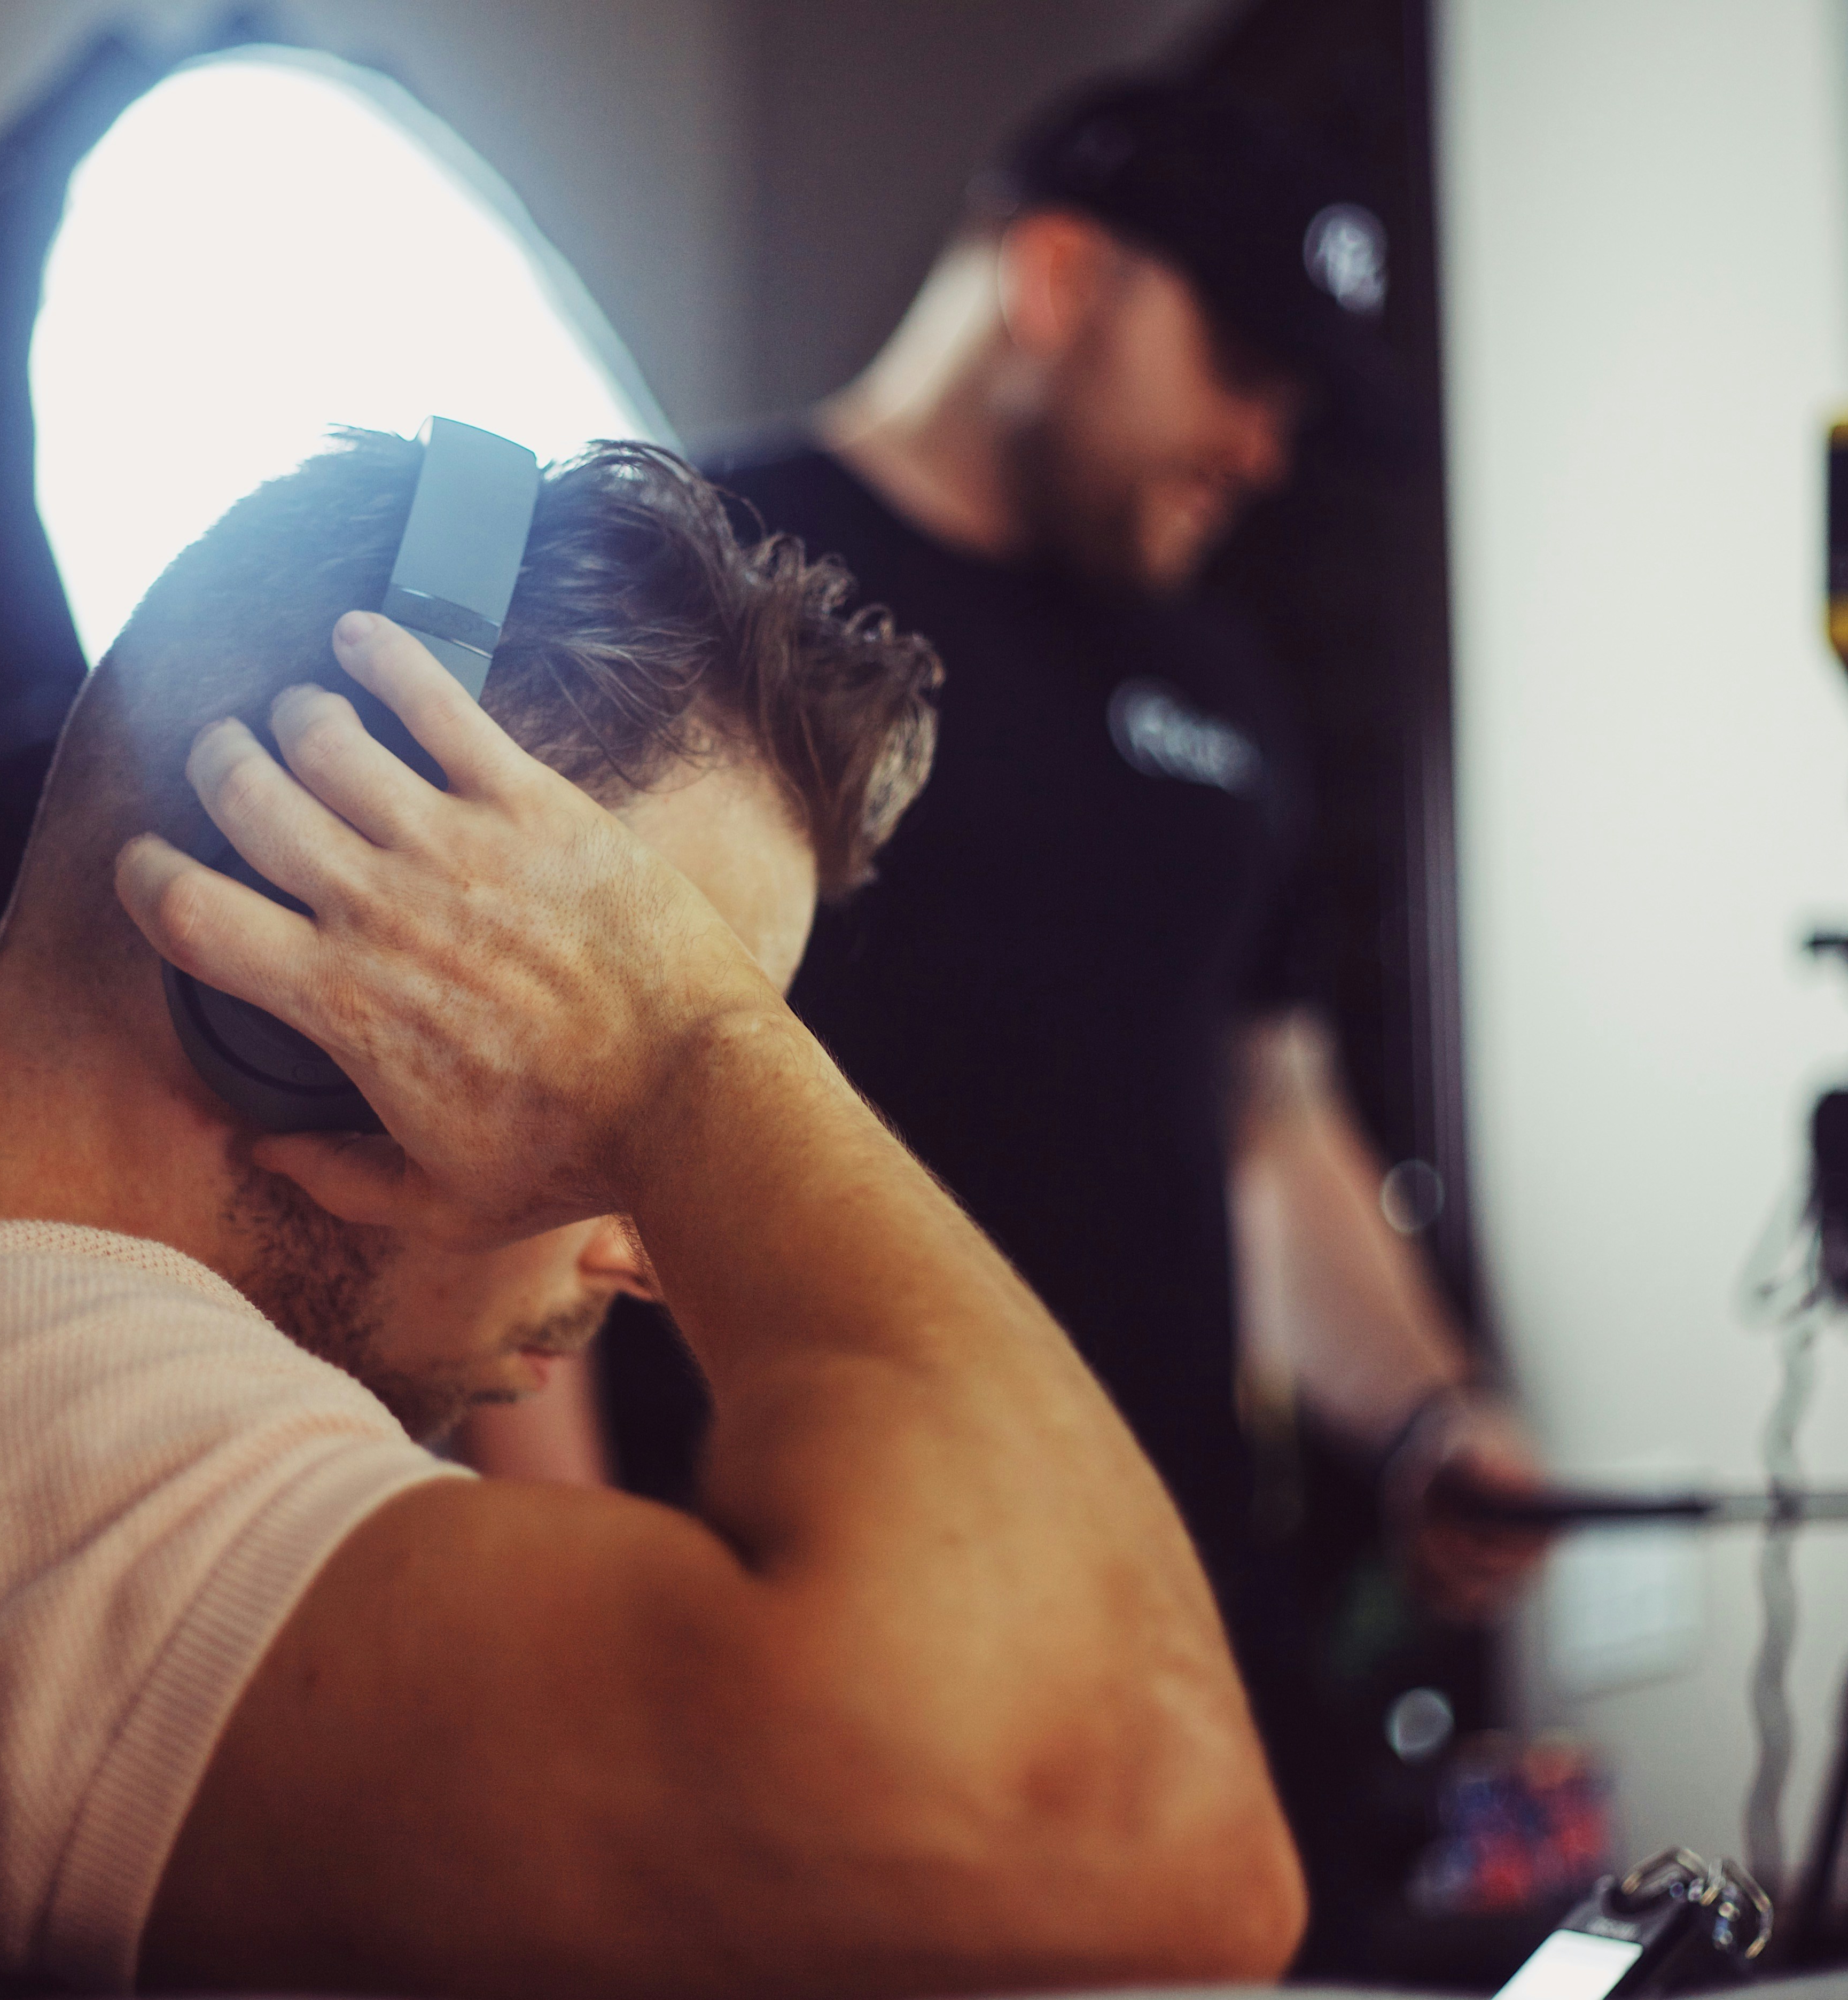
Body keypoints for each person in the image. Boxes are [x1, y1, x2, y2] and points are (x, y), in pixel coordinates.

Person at [0, 433, 1307, 1999]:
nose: (648, 1248)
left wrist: (674, 1042)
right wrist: (686, 1054)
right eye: (578, 1063)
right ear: (284, 988)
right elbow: (1123, 1808)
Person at [458, 69, 1547, 1931]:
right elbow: (523, 1095)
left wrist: (1434, 1418)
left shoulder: (1231, 685)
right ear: (1058, 278)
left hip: (1181, 1638)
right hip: (801, 1647)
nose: (1266, 445)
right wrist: (579, 1604)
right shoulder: (695, 569)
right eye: (1244, 368)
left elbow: (1269, 1129)